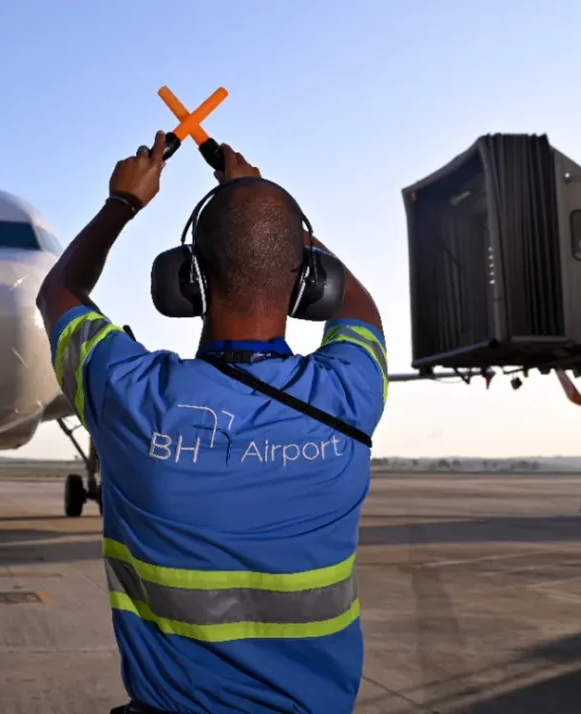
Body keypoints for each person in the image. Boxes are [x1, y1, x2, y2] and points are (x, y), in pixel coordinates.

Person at [35, 130, 387, 714]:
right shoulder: (349, 396)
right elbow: (361, 308)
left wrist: (121, 203)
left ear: (186, 279)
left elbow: (59, 292)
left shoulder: (133, 397)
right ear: (308, 284)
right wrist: (257, 198)